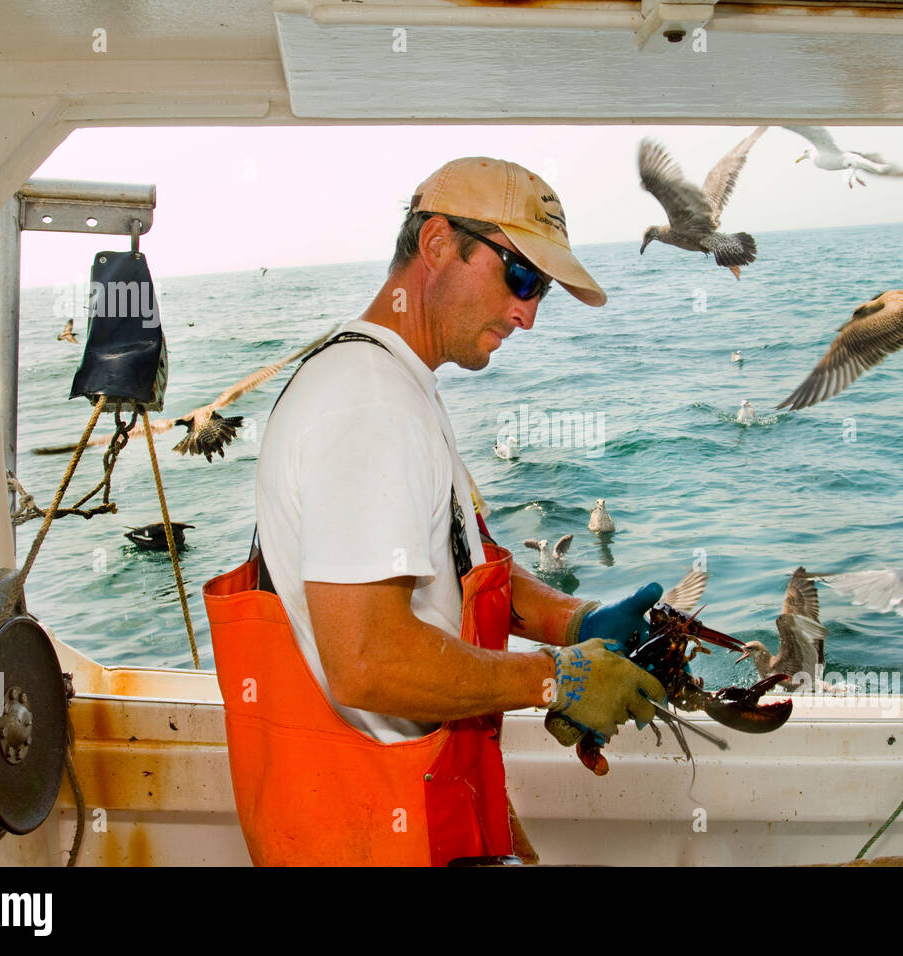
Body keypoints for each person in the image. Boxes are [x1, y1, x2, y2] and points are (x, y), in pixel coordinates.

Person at [204, 157, 666, 866]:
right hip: (375, 831)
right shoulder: (368, 402)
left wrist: (573, 622)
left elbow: (450, 576)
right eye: (521, 277)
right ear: (439, 245)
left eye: (540, 289)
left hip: (422, 800)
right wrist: (558, 677)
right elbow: (369, 660)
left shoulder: (394, 385)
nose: (529, 314)